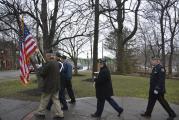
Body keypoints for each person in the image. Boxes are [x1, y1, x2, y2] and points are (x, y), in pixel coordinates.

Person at [34, 53, 64, 119]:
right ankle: (60, 113)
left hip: (49, 86)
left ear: (48, 57)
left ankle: (40, 112)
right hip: (56, 85)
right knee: (56, 99)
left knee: (44, 99)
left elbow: (42, 74)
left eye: (46, 56)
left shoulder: (49, 63)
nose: (45, 58)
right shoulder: (56, 63)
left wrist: (39, 68)